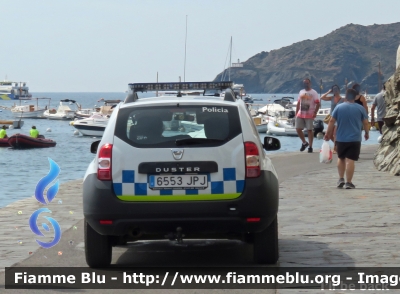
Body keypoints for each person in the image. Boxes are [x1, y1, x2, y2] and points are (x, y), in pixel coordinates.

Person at [324, 89, 369, 189]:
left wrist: (327, 133)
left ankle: (341, 179)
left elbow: (331, 121)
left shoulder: (339, 107)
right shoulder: (360, 108)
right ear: (355, 97)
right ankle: (349, 182)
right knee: (350, 160)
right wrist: (366, 132)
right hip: (355, 138)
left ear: (346, 96)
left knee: (341, 158)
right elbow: (365, 122)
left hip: (341, 138)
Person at [295, 78, 320, 153]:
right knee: (298, 129)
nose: (306, 84)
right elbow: (299, 103)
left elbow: (318, 103)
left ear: (310, 83)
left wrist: (315, 112)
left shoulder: (314, 92)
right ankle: (304, 143)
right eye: (304, 83)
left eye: (307, 83)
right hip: (300, 113)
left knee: (310, 130)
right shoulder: (301, 92)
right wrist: (296, 113)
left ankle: (310, 146)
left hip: (310, 114)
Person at [320, 84, 344, 153]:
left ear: (339, 90)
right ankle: (338, 145)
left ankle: (335, 148)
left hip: (339, 118)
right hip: (332, 117)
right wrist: (328, 92)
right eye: (334, 90)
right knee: (329, 135)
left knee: (335, 133)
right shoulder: (332, 98)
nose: (335, 91)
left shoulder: (342, 99)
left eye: (336, 89)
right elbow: (322, 97)